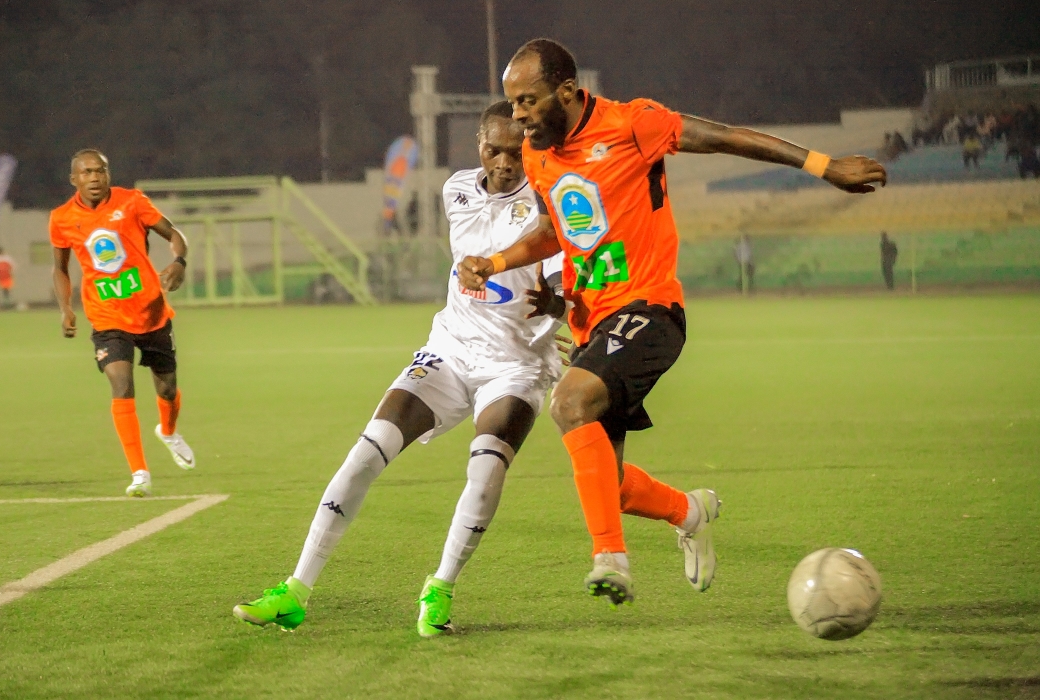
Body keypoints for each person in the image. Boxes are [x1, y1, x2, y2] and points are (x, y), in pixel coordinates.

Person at [458, 38, 887, 606]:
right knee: (605, 482)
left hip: (651, 308)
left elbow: (728, 137)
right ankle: (689, 512)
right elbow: (559, 229)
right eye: (512, 104)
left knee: (568, 404)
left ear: (566, 91)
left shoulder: (635, 123)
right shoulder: (539, 155)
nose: (519, 116)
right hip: (592, 324)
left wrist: (822, 164)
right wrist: (497, 261)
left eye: (529, 101)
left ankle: (610, 559)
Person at [234, 102, 567, 636]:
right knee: (365, 453)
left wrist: (555, 305)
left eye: (516, 150)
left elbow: (564, 286)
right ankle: (295, 591)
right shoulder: (455, 189)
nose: (505, 162)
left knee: (485, 473)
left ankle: (440, 587)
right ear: (478, 144)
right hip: (450, 349)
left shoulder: (549, 200)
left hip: (516, 365)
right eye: (493, 149)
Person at [49, 149, 196, 497]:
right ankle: (139, 473)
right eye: (86, 172)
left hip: (151, 311)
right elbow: (59, 267)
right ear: (74, 179)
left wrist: (179, 261)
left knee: (167, 389)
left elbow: (175, 234)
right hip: (106, 317)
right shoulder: (61, 218)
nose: (94, 178)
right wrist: (65, 308)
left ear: (108, 175)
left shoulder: (132, 202)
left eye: (100, 171)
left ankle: (169, 432)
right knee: (121, 382)